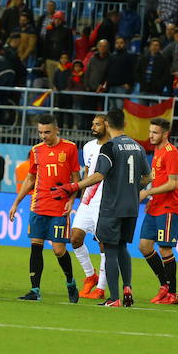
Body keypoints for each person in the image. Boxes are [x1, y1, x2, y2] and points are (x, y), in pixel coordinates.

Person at [52, 109, 152, 307]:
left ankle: (114, 298)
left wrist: (73, 187)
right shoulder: (137, 146)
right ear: (124, 123)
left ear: (107, 124)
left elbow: (98, 176)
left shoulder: (109, 147)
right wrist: (132, 189)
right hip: (131, 207)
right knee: (123, 247)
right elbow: (148, 178)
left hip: (111, 206)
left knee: (111, 249)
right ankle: (127, 286)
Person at [9, 115, 81, 303]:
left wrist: (71, 201)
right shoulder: (36, 151)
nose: (43, 136)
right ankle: (35, 290)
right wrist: (16, 202)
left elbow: (76, 179)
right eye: (40, 132)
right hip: (38, 205)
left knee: (58, 249)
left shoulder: (70, 148)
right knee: (35, 246)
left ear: (57, 130)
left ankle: (70, 282)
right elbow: (31, 179)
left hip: (59, 207)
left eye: (47, 132)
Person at [137, 118, 178, 305]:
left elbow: (173, 183)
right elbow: (159, 179)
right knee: (145, 246)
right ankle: (164, 285)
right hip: (155, 206)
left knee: (165, 248)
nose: (151, 135)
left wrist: (147, 192)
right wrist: (151, 198)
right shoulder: (157, 151)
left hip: (169, 208)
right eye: (150, 132)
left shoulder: (171, 153)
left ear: (165, 134)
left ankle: (172, 293)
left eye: (155, 132)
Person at [70, 114, 110, 300]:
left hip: (105, 202)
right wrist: (80, 196)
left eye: (98, 124)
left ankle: (100, 288)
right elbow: (87, 172)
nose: (93, 127)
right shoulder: (87, 147)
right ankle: (90, 275)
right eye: (92, 123)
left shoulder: (113, 147)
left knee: (104, 244)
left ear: (107, 125)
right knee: (75, 238)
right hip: (87, 200)